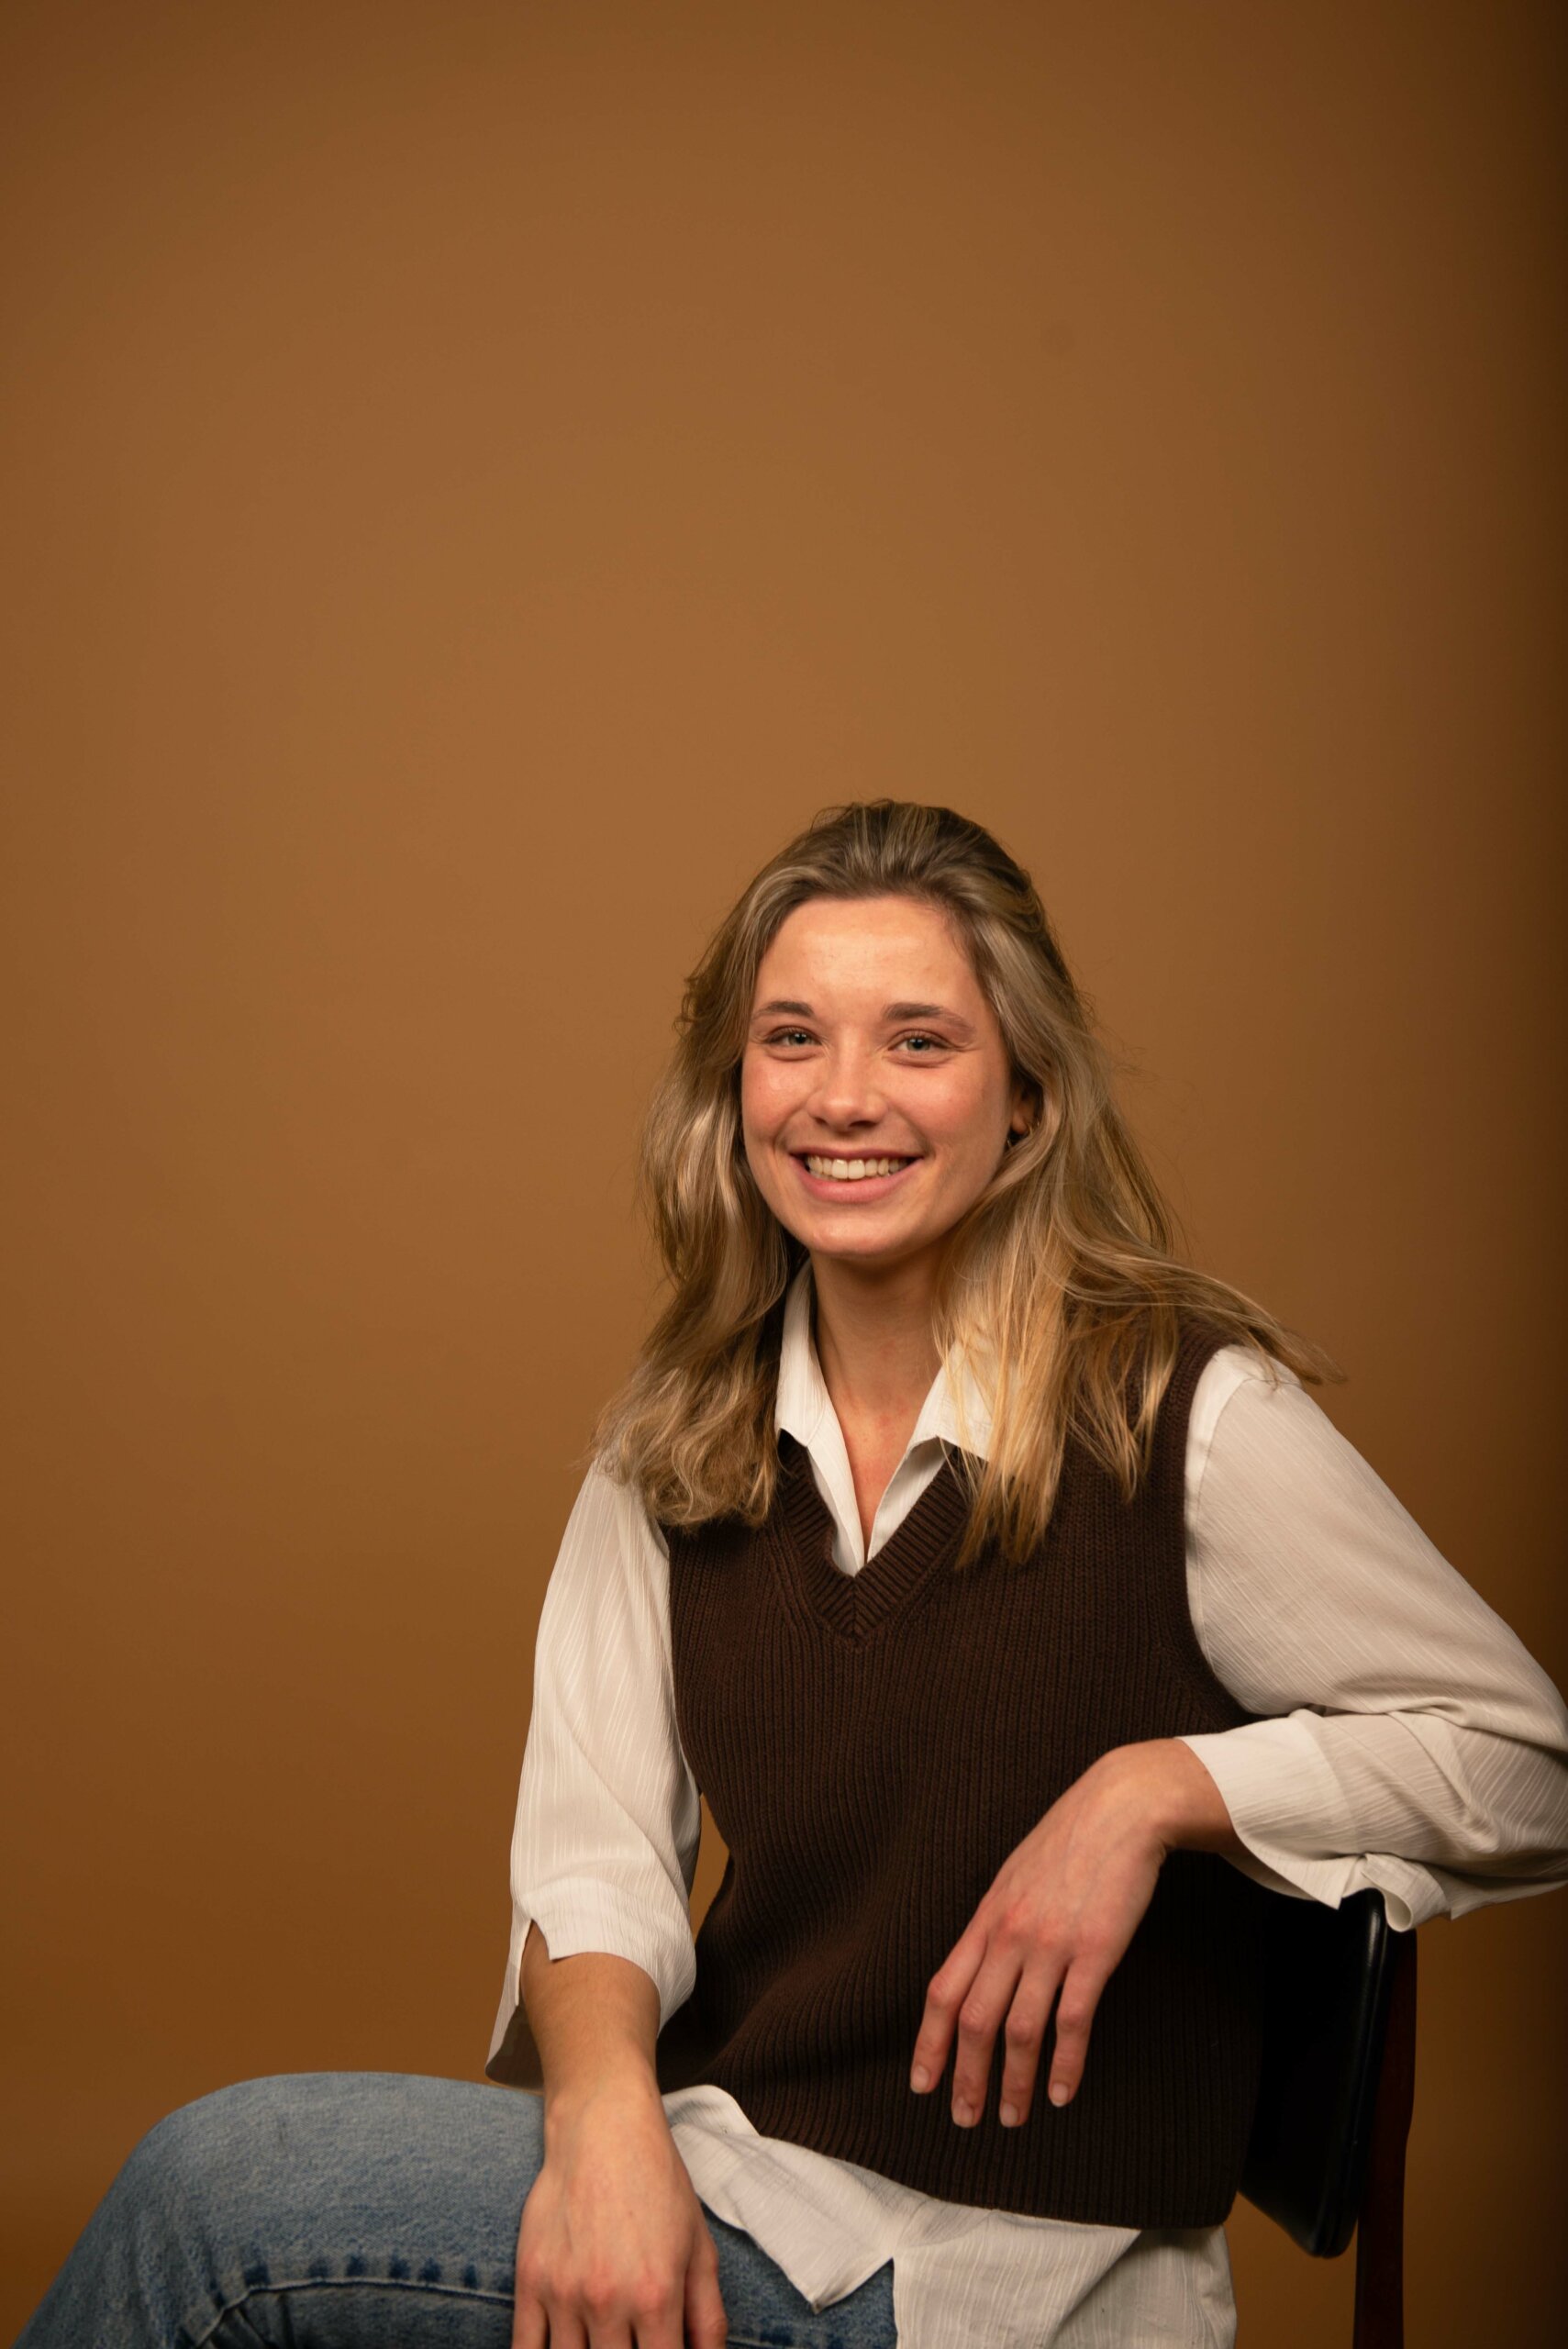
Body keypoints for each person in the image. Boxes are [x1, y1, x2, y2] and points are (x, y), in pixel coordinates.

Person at [15, 799, 1568, 2349]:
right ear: (734, 1089)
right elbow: (593, 1864)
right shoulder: (676, 1445)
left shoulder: (1181, 1417)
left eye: (917, 1042)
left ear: (1025, 1101)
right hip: (739, 2184)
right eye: (791, 1039)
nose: (842, 1098)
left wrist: (1153, 1791)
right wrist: (606, 2126)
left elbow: (1526, 1764)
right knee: (227, 2192)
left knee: (215, 2202)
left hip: (996, 2293)